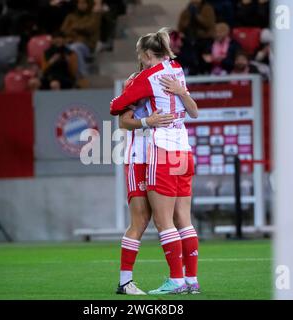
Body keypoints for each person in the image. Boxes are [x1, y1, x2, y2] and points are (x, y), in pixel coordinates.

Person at [110, 28, 200, 295]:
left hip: (158, 153)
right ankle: (127, 281)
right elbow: (123, 122)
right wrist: (146, 121)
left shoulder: (154, 77)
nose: (142, 59)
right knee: (143, 220)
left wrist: (151, 119)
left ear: (147, 54)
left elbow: (116, 107)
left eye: (142, 55)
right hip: (143, 155)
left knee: (167, 220)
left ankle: (180, 279)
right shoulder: (165, 73)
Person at [60, 0, 101, 78]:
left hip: (87, 45)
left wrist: (74, 27)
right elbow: (64, 30)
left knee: (74, 48)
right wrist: (79, 29)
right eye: (79, 3)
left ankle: (83, 75)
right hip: (71, 42)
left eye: (83, 3)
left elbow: (91, 28)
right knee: (62, 49)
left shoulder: (93, 15)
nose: (81, 5)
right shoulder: (71, 16)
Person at [177, 0, 216, 75]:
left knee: (203, 61)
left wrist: (196, 15)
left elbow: (208, 24)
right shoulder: (187, 10)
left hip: (204, 40)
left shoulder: (207, 8)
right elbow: (181, 26)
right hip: (189, 40)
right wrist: (189, 16)